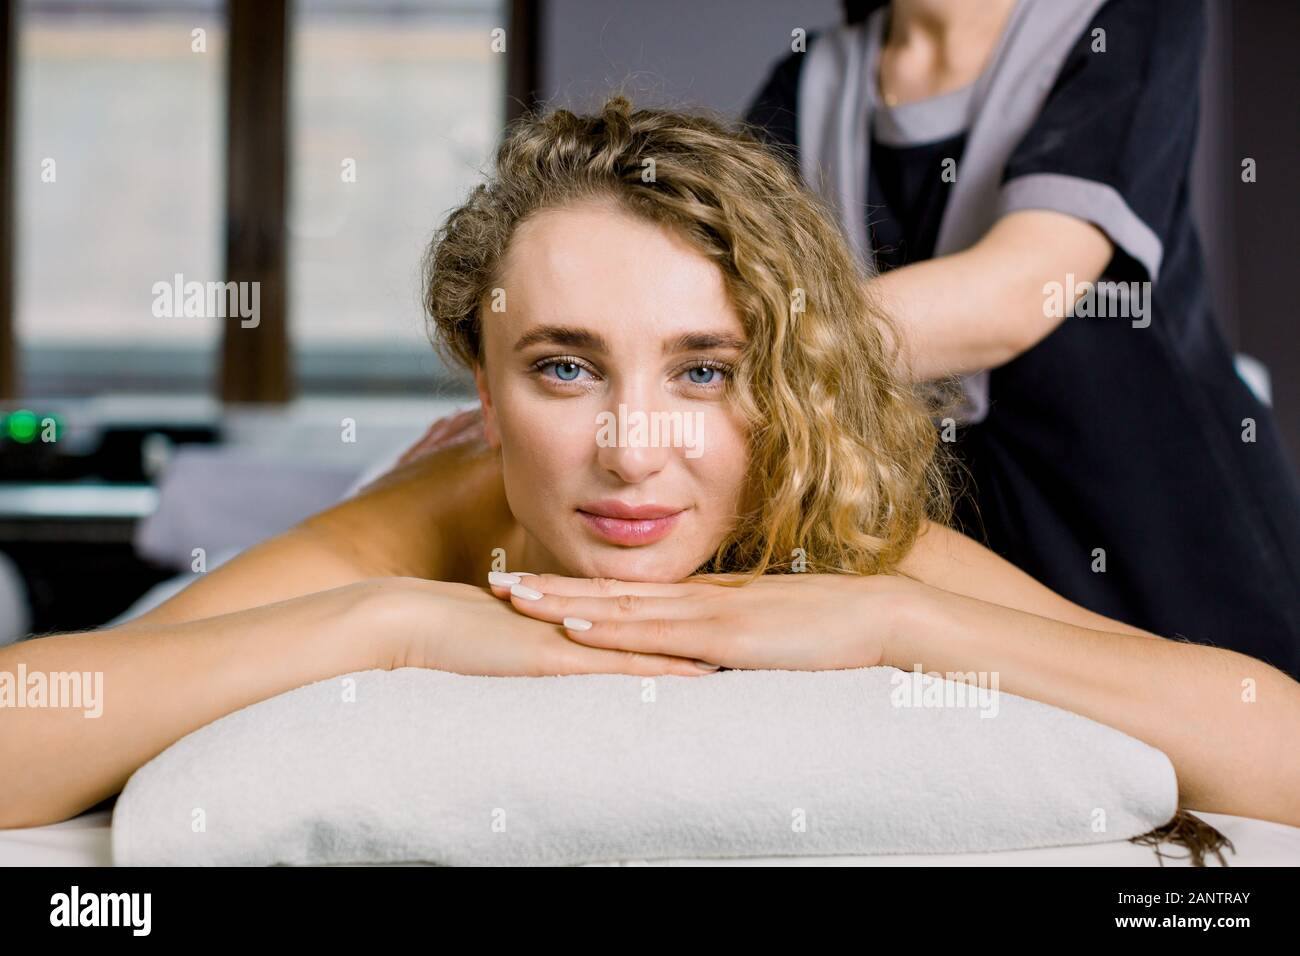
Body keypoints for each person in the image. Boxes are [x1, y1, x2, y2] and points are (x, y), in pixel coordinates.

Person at [2, 98, 1297, 846]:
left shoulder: (823, 528)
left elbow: (1276, 748)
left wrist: (906, 618)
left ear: (785, 384)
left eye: (704, 371)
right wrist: (388, 624)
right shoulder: (432, 523)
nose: (632, 453)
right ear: (484, 388)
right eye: (564, 369)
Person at [742, 0, 1300, 680]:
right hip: (974, 581)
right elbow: (728, 284)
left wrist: (741, 358)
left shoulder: (1126, 20)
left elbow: (1018, 293)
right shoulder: (807, 84)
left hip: (1176, 547)